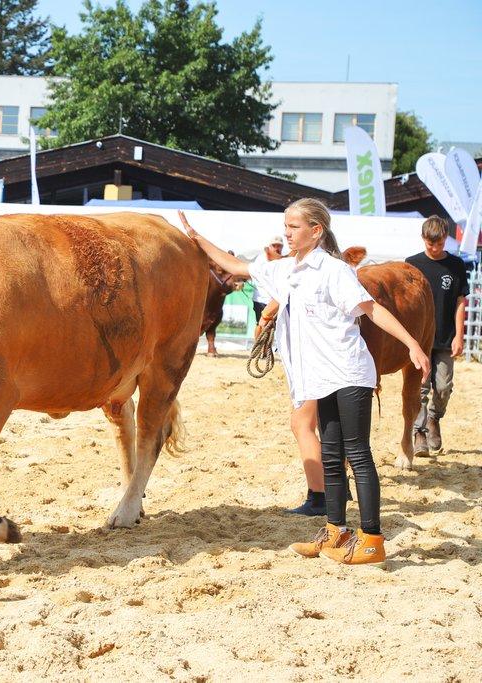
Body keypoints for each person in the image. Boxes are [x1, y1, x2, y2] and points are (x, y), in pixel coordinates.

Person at [180, 200, 430, 565]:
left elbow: (372, 309)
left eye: (294, 227)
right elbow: (236, 266)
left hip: (348, 371)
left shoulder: (335, 271)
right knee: (331, 457)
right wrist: (196, 237)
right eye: (286, 225)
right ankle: (335, 532)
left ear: (316, 231)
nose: (287, 232)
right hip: (319, 375)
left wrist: (412, 345)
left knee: (357, 453)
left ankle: (373, 540)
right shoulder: (285, 270)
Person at [406, 215, 469, 456]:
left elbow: (460, 302)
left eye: (439, 243)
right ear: (423, 239)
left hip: (445, 336)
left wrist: (459, 335)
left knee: (443, 387)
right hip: (419, 338)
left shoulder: (456, 265)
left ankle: (434, 418)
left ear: (446, 239)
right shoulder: (411, 263)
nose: (434, 248)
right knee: (419, 387)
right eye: (430, 243)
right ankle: (419, 431)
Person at [251, 236, 284, 322]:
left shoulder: (284, 261)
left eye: (279, 246)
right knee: (262, 328)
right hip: (261, 300)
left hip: (277, 302)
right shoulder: (261, 259)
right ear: (269, 247)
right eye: (274, 245)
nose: (277, 248)